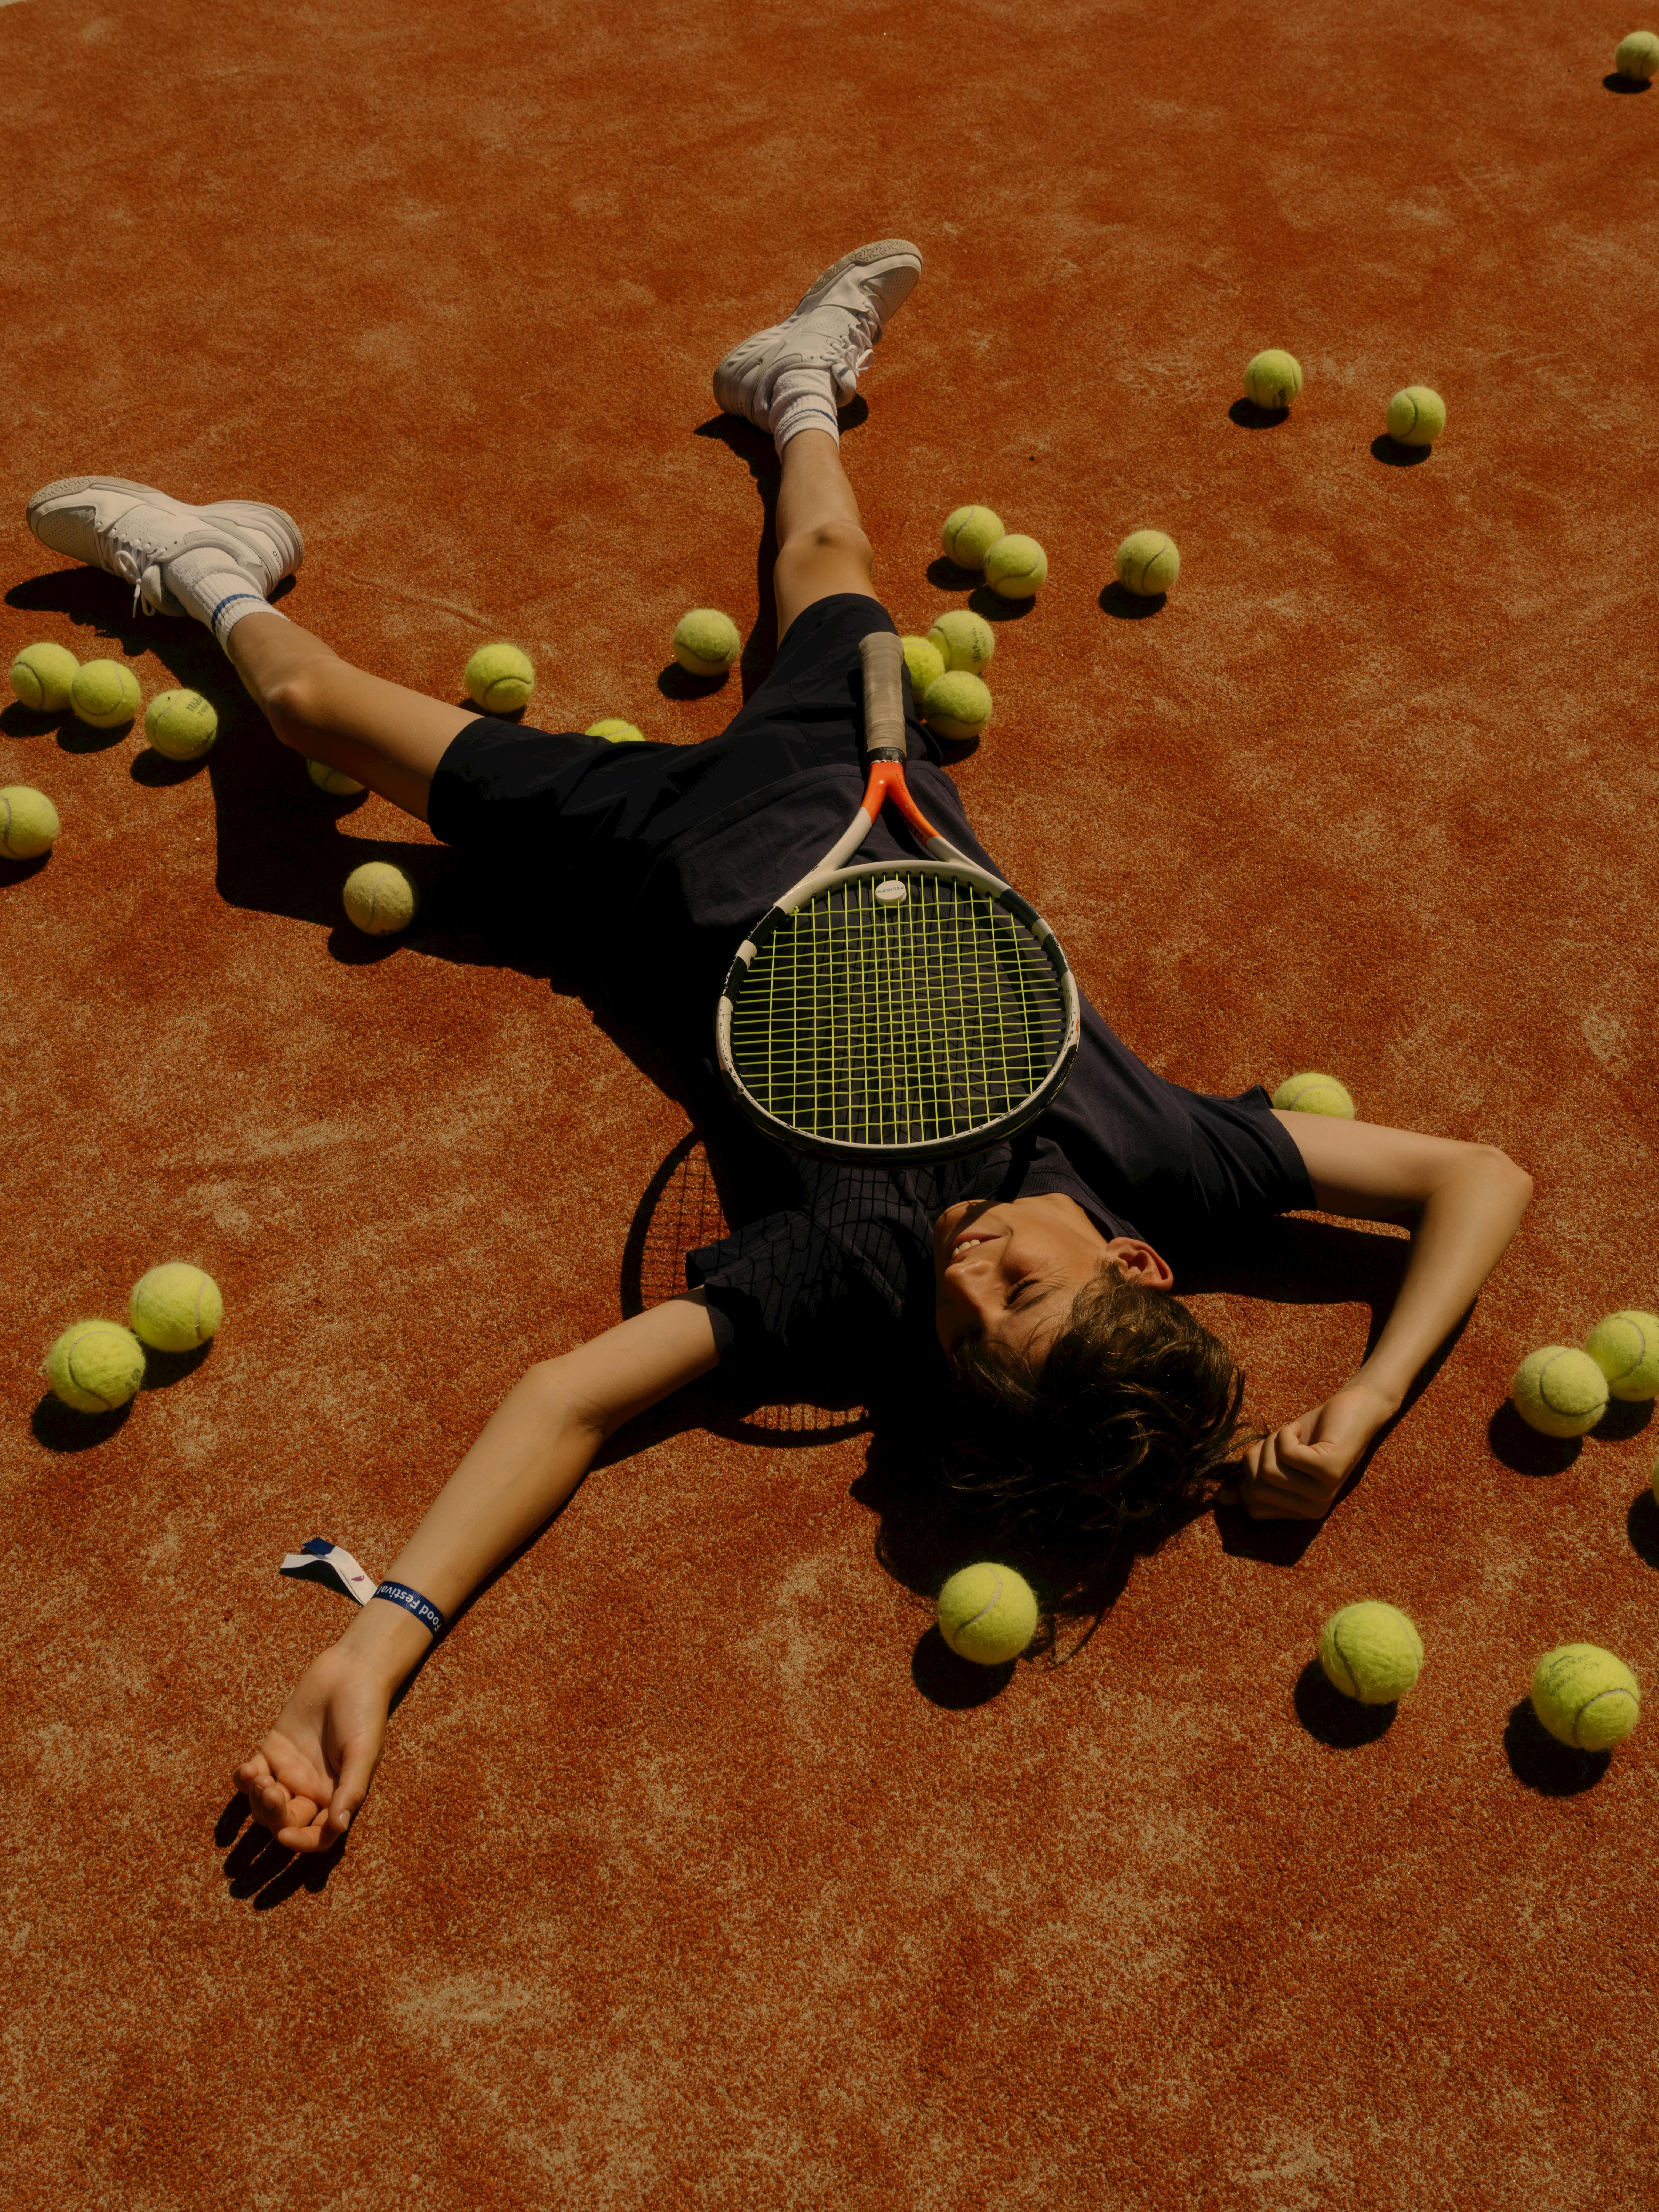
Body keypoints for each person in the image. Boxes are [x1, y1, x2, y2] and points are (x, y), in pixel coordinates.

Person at [26, 240, 1532, 1853]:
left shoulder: (865, 1267)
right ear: (1144, 1261)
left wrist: (368, 1646)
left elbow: (570, 1403)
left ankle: (205, 568)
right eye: (1022, 1288)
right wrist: (1364, 1411)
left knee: (312, 711)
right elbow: (1476, 1175)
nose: (968, 1285)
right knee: (821, 530)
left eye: (969, 1343)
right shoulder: (1167, 1156)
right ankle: (795, 379)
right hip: (869, 766)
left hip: (656, 844)